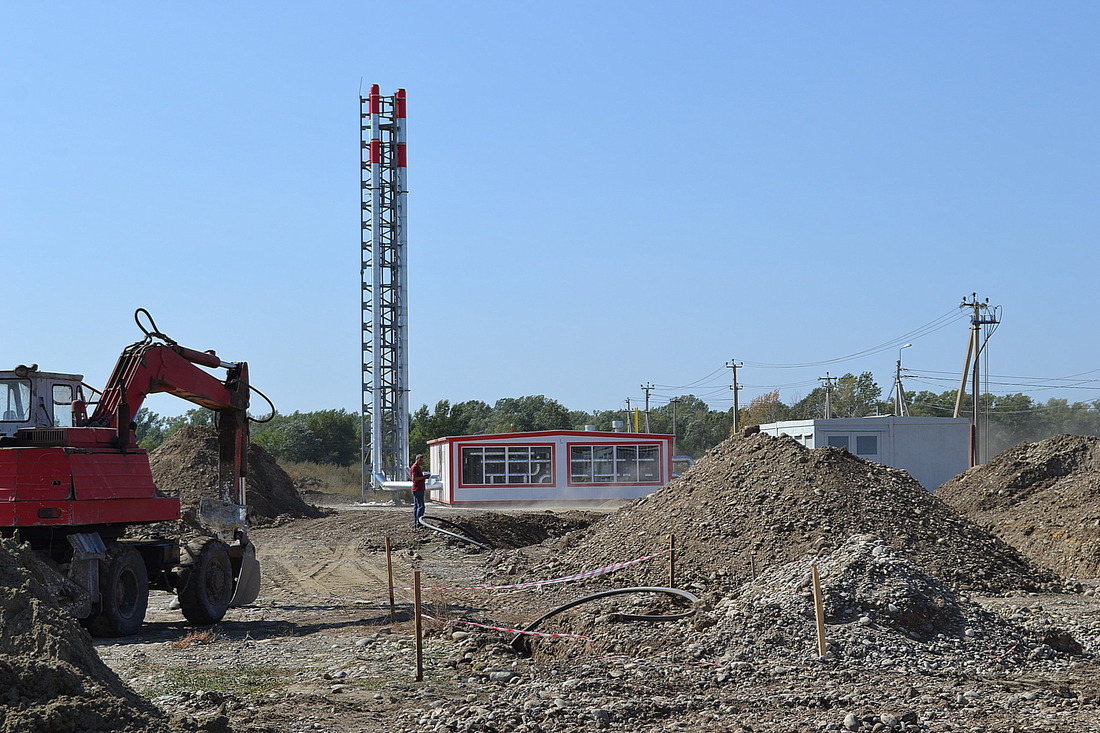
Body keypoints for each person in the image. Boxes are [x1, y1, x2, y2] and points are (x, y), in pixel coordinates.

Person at [409, 454, 427, 528]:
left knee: (417, 506)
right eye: (420, 460)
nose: (421, 462)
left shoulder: (417, 467)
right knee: (421, 506)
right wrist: (424, 477)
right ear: (417, 459)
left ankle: (416, 522)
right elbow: (414, 478)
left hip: (418, 488)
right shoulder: (415, 468)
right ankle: (419, 522)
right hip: (418, 489)